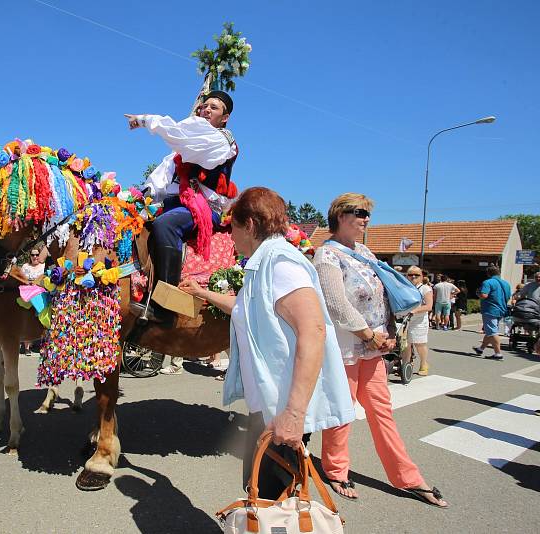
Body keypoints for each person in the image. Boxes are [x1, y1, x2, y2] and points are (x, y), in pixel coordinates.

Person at [180, 187, 354, 499]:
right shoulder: (264, 263)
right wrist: (203, 293)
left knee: (274, 499)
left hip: (284, 408)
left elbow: (313, 332)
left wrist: (294, 414)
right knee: (260, 490)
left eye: (232, 227)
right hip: (272, 405)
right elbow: (246, 307)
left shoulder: (280, 264)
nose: (229, 236)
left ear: (249, 225)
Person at [313, 192, 448, 507]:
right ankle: (335, 470)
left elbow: (383, 293)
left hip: (373, 347)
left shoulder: (364, 251)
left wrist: (387, 331)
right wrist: (368, 334)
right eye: (360, 213)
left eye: (367, 214)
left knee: (382, 413)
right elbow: (335, 303)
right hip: (346, 347)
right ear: (342, 215)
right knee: (342, 414)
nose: (366, 219)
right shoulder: (326, 255)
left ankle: (408, 477)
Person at [125, 90, 239, 326]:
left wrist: (146, 120)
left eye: (213, 107)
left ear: (225, 117)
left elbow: (181, 136)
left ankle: (166, 307)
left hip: (205, 207)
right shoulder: (179, 153)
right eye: (204, 106)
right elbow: (159, 182)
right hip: (175, 204)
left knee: (165, 225)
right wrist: (137, 198)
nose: (206, 109)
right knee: (132, 225)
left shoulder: (221, 141)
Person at [472, 264, 511, 361]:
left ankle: (498, 354)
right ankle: (480, 349)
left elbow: (484, 295)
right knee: (490, 330)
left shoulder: (488, 282)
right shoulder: (506, 283)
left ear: (488, 273)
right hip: (501, 309)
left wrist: (478, 293)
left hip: (490, 309)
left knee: (493, 332)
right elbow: (508, 297)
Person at [404, 266, 433, 376]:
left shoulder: (425, 289)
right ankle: (406, 365)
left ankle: (424, 363)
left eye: (417, 275)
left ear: (422, 276)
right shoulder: (405, 287)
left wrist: (415, 310)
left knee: (419, 344)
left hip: (419, 320)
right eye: (410, 275)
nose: (413, 277)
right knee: (405, 344)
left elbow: (429, 306)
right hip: (406, 319)